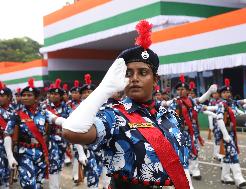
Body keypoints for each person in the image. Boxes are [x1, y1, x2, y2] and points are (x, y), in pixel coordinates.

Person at [63, 20, 193, 189]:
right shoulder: (113, 115)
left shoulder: (169, 115)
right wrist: (104, 89)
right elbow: (71, 131)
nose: (134, 78)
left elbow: (180, 163)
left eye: (143, 72)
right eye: (128, 73)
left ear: (155, 80)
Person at [3, 78, 65, 189]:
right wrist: (10, 156)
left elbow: (56, 119)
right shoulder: (16, 114)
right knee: (28, 184)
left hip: (41, 152)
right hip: (24, 152)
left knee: (38, 184)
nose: (25, 97)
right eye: (23, 95)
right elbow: (7, 134)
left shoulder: (44, 112)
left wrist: (69, 123)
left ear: (36, 98)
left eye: (29, 95)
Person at [46, 78, 72, 189]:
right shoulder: (45, 108)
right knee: (53, 163)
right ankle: (54, 186)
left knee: (59, 162)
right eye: (51, 94)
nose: (53, 96)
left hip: (63, 139)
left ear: (61, 96)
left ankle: (55, 184)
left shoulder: (67, 108)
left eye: (56, 94)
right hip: (51, 139)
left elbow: (71, 122)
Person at [0, 82, 14, 189]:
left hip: (9, 144)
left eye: (2, 96)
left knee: (7, 169)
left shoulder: (15, 111)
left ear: (9, 97)